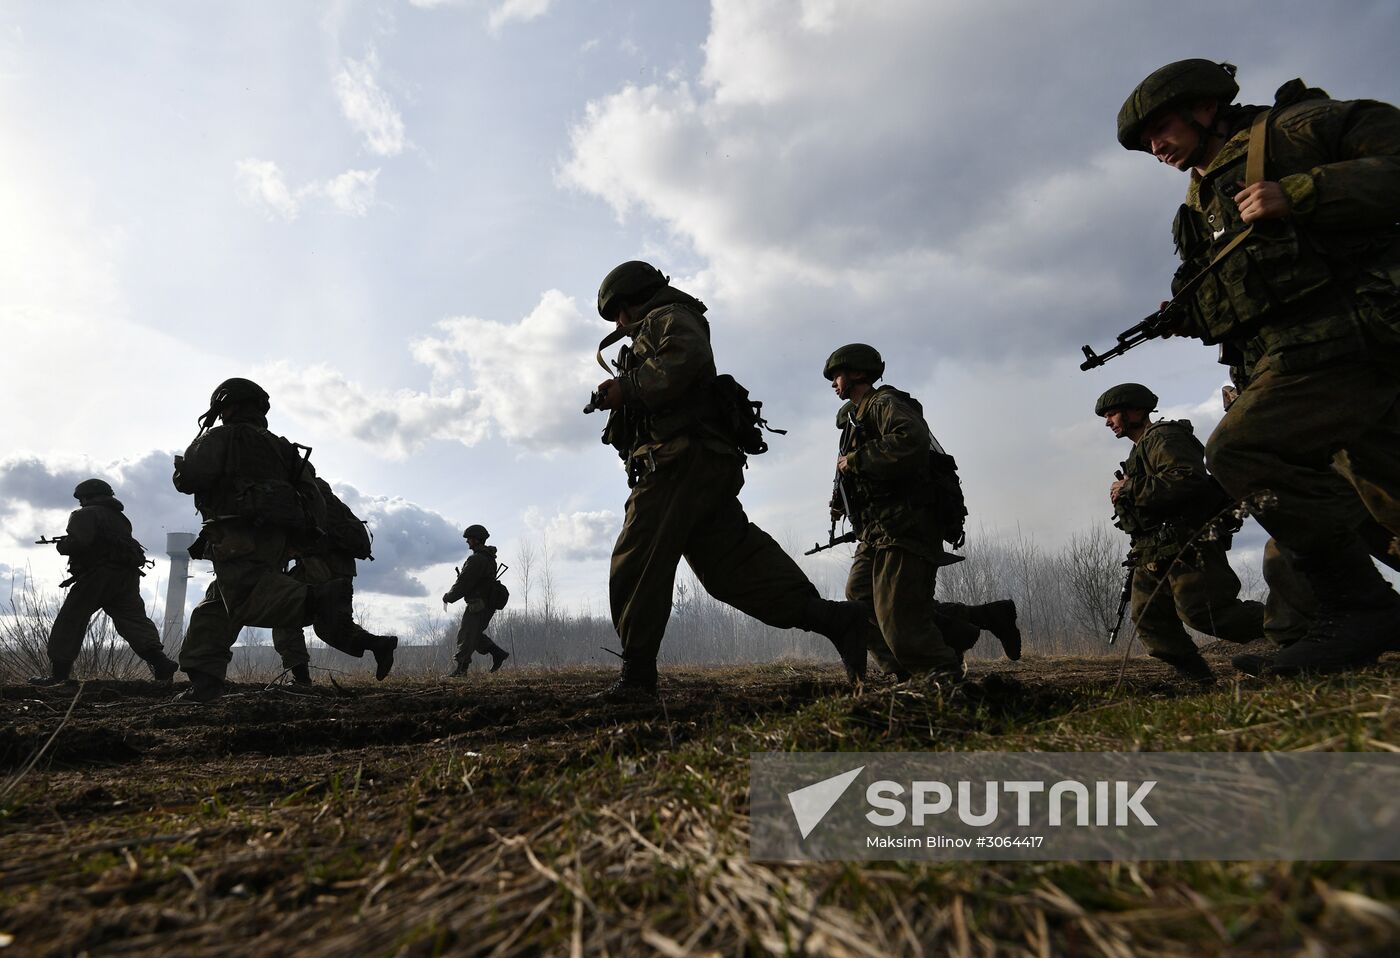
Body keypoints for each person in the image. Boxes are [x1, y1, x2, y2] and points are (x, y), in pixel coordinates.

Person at [1117, 59, 1400, 675]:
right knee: (1386, 506)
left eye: (1160, 128)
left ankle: (1359, 610)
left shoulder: (1298, 132)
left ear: (1203, 106)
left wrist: (1301, 192)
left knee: (1243, 450)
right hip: (1310, 362)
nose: (1155, 147)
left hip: (1354, 337)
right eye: (1145, 144)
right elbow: (1241, 295)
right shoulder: (1196, 208)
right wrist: (1189, 311)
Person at [589, 261, 867, 700]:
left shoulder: (669, 317)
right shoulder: (661, 323)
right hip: (699, 468)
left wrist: (629, 388)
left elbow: (685, 361)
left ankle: (637, 677)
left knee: (637, 557)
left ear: (636, 297)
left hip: (679, 463)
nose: (620, 324)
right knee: (735, 569)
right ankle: (835, 620)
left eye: (621, 312)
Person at [172, 377, 394, 702]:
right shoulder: (284, 449)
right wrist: (299, 539)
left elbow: (190, 479)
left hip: (236, 533)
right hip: (276, 539)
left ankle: (318, 600)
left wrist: (181, 468)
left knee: (246, 597)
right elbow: (312, 497)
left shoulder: (222, 438)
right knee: (217, 605)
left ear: (227, 406)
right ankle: (205, 681)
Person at [823, 344, 1002, 682]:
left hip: (905, 524)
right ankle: (903, 672)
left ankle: (941, 673)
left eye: (837, 375)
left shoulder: (884, 404)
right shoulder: (859, 417)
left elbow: (911, 438)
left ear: (858, 373)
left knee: (899, 613)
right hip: (878, 530)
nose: (833, 383)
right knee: (860, 597)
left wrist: (857, 461)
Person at [1097, 382, 1264, 679]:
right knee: (1149, 619)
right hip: (1153, 549)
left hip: (1186, 543)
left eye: (1112, 414)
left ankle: (1289, 630)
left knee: (1204, 612)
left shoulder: (1164, 437)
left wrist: (1130, 487)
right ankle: (1198, 678)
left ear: (1135, 411)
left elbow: (1187, 479)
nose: (1108, 422)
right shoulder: (1141, 449)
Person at [28, 479, 179, 686]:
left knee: (71, 619)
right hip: (126, 577)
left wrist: (63, 546)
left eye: (82, 498)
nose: (80, 502)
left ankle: (59, 675)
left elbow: (79, 543)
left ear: (88, 496)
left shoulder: (84, 515)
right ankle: (160, 663)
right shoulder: (121, 518)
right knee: (133, 621)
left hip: (98, 575)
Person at [270, 477, 397, 685]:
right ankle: (379, 644)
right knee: (334, 627)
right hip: (343, 572)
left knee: (285, 613)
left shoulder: (303, 497)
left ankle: (301, 679)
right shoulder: (331, 502)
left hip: (320, 567)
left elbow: (298, 535)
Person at [442, 524, 509, 676]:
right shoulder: (488, 557)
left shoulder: (476, 559)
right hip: (486, 603)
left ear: (477, 540)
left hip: (478, 604)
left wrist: (449, 597)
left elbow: (463, 583)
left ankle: (461, 671)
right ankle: (498, 653)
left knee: (466, 635)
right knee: (474, 634)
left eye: (470, 539)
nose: (467, 542)